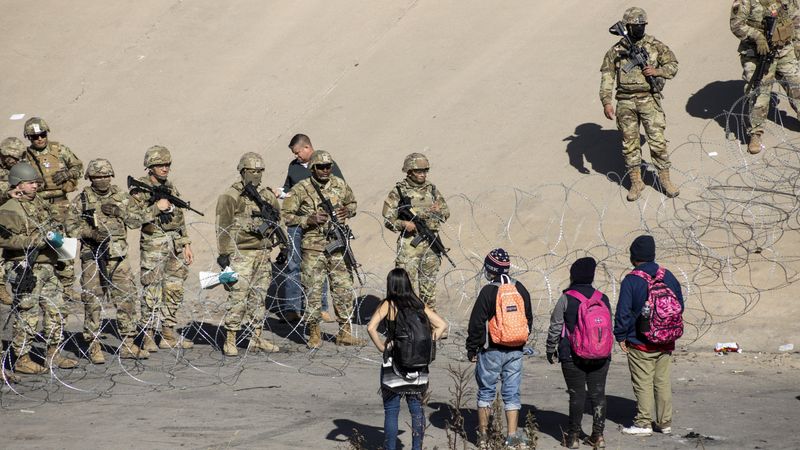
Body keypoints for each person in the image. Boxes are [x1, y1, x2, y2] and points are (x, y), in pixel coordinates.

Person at [66, 158, 150, 363]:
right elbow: (70, 227)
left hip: (118, 256)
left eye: (106, 176)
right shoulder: (82, 200)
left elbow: (139, 220)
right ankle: (93, 344)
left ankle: (128, 342)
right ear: (90, 178)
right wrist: (89, 234)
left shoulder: (122, 196)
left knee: (126, 299)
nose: (102, 180)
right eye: (97, 177)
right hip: (92, 256)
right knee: (92, 301)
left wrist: (119, 212)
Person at [0, 162, 78, 374]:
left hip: (48, 265)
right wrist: (32, 241)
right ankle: (22, 358)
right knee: (28, 313)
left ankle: (53, 353)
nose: (35, 186)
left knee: (57, 310)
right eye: (30, 183)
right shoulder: (9, 210)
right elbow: (5, 240)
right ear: (18, 184)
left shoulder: (39, 203)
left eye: (35, 182)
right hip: (26, 268)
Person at [282, 150, 363, 349]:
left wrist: (347, 211)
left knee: (343, 288)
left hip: (337, 245)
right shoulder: (302, 188)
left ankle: (345, 332)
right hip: (314, 247)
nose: (325, 170)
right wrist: (307, 219)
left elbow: (352, 203)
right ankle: (314, 333)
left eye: (328, 167)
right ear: (313, 168)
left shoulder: (339, 185)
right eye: (321, 167)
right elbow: (286, 214)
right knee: (314, 290)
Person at [600, 7, 680, 201]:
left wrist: (657, 72)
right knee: (629, 144)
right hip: (625, 101)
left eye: (642, 25)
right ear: (627, 27)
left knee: (657, 141)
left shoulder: (654, 45)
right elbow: (607, 76)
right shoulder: (617, 50)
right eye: (636, 26)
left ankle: (665, 180)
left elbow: (673, 65)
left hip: (648, 99)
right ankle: (636, 182)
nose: (640, 29)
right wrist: (606, 101)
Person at [367, 268, 447, 450]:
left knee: (392, 411)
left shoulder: (388, 304)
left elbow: (371, 327)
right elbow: (442, 325)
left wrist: (383, 347)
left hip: (394, 363)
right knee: (417, 411)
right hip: (418, 365)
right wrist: (426, 342)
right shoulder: (418, 304)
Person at [614, 235, 684, 436]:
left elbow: (623, 312)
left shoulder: (632, 280)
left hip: (640, 342)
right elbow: (680, 306)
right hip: (666, 341)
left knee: (643, 382)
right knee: (662, 382)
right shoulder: (668, 276)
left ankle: (643, 423)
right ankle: (664, 422)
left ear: (634, 256)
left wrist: (620, 335)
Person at [215, 152, 283, 356]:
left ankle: (256, 337)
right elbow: (223, 225)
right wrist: (224, 253)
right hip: (240, 253)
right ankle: (231, 339)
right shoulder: (231, 195)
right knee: (238, 296)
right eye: (253, 171)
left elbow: (277, 220)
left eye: (260, 171)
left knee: (259, 297)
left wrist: (283, 246)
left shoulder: (267, 195)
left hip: (262, 253)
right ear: (243, 171)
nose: (257, 175)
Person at [273, 134, 344, 323]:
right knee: (294, 263)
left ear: (307, 148)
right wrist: (280, 192)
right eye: (294, 153)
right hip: (297, 221)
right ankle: (292, 308)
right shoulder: (294, 166)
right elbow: (289, 188)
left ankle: (320, 308)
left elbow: (340, 190)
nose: (296, 156)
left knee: (319, 264)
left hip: (321, 225)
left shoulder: (326, 165)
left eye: (298, 152)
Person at [129, 145, 194, 351]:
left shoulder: (170, 187)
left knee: (174, 289)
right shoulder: (139, 189)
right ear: (150, 166)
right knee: (152, 291)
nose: (165, 168)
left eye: (167, 165)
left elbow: (179, 217)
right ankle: (148, 335)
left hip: (174, 246)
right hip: (153, 246)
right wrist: (156, 208)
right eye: (160, 165)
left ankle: (168, 333)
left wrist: (186, 243)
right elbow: (132, 219)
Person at [466, 248, 532, 449]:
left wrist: (472, 348)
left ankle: (484, 437)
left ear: (490, 269)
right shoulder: (520, 288)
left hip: (491, 349)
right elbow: (528, 318)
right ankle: (512, 437)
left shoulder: (488, 291)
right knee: (512, 393)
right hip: (516, 349)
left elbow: (477, 322)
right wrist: (519, 340)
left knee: (486, 391)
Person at [546, 257, 611, 448]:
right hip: (601, 355)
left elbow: (556, 327)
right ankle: (598, 436)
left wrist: (551, 349)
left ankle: (573, 436)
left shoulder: (566, 298)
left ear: (573, 275)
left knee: (577, 395)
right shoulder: (602, 298)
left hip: (572, 354)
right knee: (598, 394)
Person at [23, 117, 83, 302]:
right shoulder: (25, 157)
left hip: (60, 203)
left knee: (63, 242)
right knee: (39, 241)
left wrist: (68, 173)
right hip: (38, 204)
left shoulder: (59, 150)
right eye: (35, 137)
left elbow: (78, 166)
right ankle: (40, 282)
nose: (39, 139)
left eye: (42, 135)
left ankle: (66, 286)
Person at [381, 153, 450, 310]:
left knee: (429, 287)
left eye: (425, 171)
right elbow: (388, 219)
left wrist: (438, 211)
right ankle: (408, 321)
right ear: (409, 171)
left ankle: (429, 321)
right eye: (419, 171)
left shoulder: (432, 190)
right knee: (406, 287)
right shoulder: (398, 192)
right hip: (409, 246)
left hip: (431, 243)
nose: (423, 174)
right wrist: (403, 224)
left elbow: (446, 212)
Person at [731, 0, 800, 154]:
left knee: (796, 84)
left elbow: (795, 17)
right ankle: (755, 132)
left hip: (784, 49)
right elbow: (736, 25)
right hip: (758, 53)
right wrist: (757, 36)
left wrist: (797, 44)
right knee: (758, 92)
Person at [0, 137, 27, 306]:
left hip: (14, 216)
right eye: (7, 156)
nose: (11, 160)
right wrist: (6, 193)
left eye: (15, 157)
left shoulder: (22, 170)